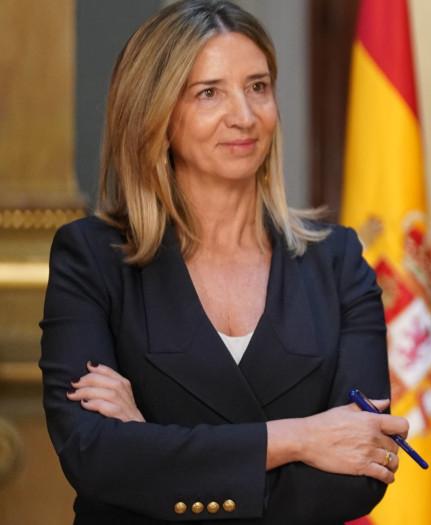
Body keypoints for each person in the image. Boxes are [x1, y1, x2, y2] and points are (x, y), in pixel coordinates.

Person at [39, 2, 408, 523]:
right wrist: (300, 437)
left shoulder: (337, 261)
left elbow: (361, 475)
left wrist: (149, 445)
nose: (245, 115)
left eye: (258, 87)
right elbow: (93, 456)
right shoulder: (91, 257)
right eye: (209, 92)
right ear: (156, 114)